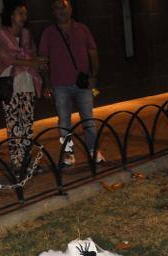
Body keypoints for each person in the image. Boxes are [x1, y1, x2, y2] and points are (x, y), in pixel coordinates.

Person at [38, 0, 103, 166]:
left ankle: (93, 150)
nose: (61, 11)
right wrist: (46, 83)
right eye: (57, 8)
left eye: (64, 7)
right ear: (53, 12)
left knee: (88, 120)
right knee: (64, 122)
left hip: (83, 84)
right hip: (60, 85)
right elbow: (43, 60)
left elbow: (93, 51)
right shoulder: (49, 33)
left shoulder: (82, 29)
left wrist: (94, 75)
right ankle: (68, 153)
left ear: (71, 8)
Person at [0, 0, 47, 171]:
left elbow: (32, 56)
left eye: (25, 13)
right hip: (10, 85)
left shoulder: (26, 34)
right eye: (20, 13)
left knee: (27, 125)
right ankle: (18, 164)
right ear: (11, 15)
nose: (24, 17)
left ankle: (28, 162)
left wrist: (36, 63)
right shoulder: (1, 33)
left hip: (27, 83)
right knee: (14, 125)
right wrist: (33, 62)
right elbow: (8, 59)